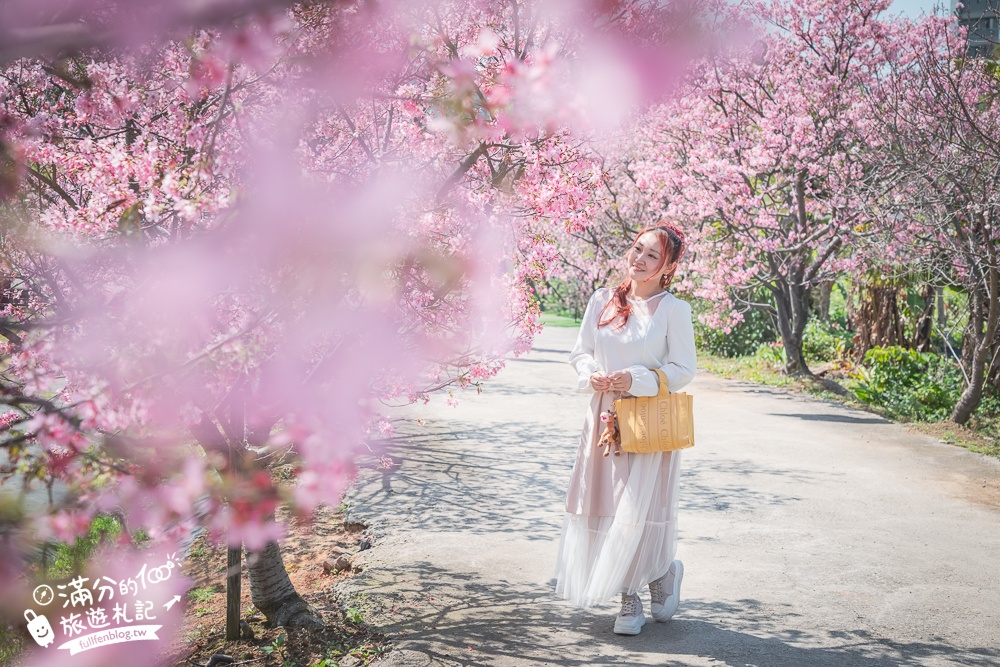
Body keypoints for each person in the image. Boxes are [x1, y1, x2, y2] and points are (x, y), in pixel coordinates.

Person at [555, 224, 697, 636]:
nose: (640, 259)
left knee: (638, 508)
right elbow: (581, 352)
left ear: (667, 267)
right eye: (638, 249)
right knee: (605, 504)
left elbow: (684, 369)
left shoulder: (673, 310)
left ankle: (638, 588)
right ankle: (648, 581)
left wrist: (636, 378)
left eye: (653, 255)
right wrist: (593, 374)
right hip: (603, 416)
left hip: (647, 419)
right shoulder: (602, 299)